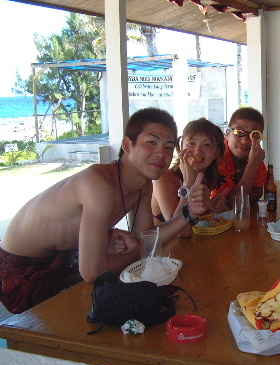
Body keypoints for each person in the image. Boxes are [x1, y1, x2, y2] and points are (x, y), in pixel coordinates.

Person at [0, 108, 208, 314]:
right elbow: (93, 272)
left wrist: (188, 213)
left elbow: (146, 240)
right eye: (151, 142)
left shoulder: (143, 185)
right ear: (127, 145)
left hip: (66, 258)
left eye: (168, 147)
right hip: (20, 271)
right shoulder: (98, 185)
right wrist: (134, 249)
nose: (161, 154)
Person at [151, 117, 226, 230]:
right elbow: (176, 231)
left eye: (207, 145)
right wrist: (188, 185)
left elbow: (198, 223)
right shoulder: (164, 178)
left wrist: (211, 207)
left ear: (217, 152)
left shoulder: (206, 177)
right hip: (164, 246)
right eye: (191, 143)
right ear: (181, 147)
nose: (197, 151)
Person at [213, 107, 268, 203]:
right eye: (239, 132)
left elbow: (256, 195)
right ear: (227, 134)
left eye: (254, 135)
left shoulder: (255, 157)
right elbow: (231, 205)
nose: (245, 141)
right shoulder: (216, 157)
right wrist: (252, 166)